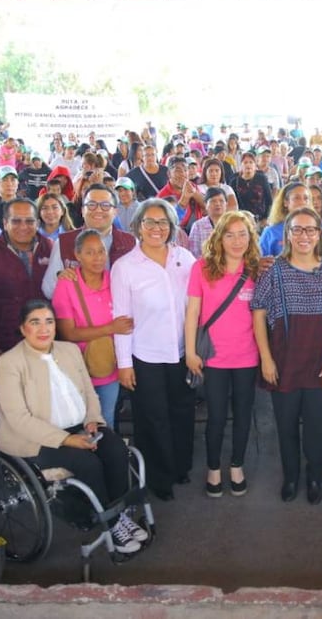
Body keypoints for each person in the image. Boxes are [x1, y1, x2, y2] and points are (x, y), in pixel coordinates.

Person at [0, 299, 148, 554]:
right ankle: (110, 522)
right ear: (22, 329)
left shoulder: (69, 350)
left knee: (116, 449)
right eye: (35, 322)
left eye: (49, 322)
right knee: (88, 463)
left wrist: (92, 420)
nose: (44, 329)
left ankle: (118, 515)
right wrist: (66, 439)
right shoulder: (9, 363)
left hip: (80, 426)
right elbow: (18, 418)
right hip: (35, 439)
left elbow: (89, 392)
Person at [252, 207, 322, 504]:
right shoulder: (275, 272)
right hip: (284, 363)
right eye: (298, 229)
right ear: (288, 234)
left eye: (310, 230)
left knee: (316, 427)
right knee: (286, 426)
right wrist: (266, 359)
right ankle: (291, 476)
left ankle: (314, 476)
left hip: (321, 363)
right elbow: (258, 315)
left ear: (319, 234)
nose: (304, 235)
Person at [111, 200, 195, 501]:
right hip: (145, 356)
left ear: (172, 227)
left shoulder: (184, 258)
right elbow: (120, 319)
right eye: (150, 222)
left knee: (182, 412)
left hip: (182, 353)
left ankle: (180, 466)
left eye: (163, 222)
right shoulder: (124, 268)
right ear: (138, 226)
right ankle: (159, 478)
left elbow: (197, 304)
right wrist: (124, 364)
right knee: (153, 417)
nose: (156, 228)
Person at [185, 211, 261, 497]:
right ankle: (214, 467)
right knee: (216, 416)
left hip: (247, 357)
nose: (236, 240)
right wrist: (190, 352)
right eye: (229, 234)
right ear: (219, 238)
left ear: (251, 238)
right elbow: (192, 313)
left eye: (243, 234)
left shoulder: (256, 269)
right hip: (213, 358)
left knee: (243, 415)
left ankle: (237, 465)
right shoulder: (202, 268)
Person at [50, 230, 128, 437]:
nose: (98, 258)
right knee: (80, 424)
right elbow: (69, 333)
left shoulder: (115, 280)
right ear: (77, 256)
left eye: (101, 251)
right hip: (78, 369)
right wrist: (110, 328)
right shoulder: (67, 284)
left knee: (107, 421)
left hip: (109, 365)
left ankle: (108, 463)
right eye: (90, 252)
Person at [0, 198, 52, 359]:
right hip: (6, 347)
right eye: (16, 221)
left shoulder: (50, 247)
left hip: (46, 345)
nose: (23, 227)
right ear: (5, 223)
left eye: (29, 221)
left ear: (38, 223)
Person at [42, 184, 137, 299]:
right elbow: (48, 290)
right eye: (91, 205)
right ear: (82, 210)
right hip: (77, 314)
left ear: (115, 212)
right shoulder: (64, 242)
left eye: (105, 205)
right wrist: (62, 280)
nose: (98, 210)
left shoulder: (131, 243)